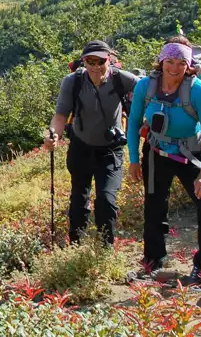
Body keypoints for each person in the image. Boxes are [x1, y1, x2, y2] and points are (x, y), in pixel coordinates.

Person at [127, 36, 201, 286]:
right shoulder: (144, 87)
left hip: (192, 156)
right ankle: (153, 262)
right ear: (161, 61)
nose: (174, 68)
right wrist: (133, 160)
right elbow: (134, 122)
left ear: (189, 65)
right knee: (154, 208)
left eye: (181, 63)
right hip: (155, 153)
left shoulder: (199, 91)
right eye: (169, 61)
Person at [46, 40, 139, 245]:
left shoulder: (122, 79)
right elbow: (61, 115)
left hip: (111, 150)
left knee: (106, 199)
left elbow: (149, 92)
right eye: (90, 61)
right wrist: (53, 135)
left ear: (109, 60)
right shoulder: (73, 81)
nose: (96, 66)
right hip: (81, 147)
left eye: (101, 61)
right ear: (84, 62)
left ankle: (105, 247)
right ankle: (76, 243)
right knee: (79, 198)